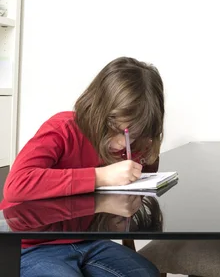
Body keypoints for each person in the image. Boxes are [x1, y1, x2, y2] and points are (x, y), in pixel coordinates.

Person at [1, 56, 164, 277]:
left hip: (88, 241)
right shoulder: (62, 129)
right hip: (32, 246)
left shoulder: (131, 147)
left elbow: (135, 188)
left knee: (145, 273)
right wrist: (100, 176)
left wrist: (145, 152)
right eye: (115, 130)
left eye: (134, 136)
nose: (121, 143)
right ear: (98, 110)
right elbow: (17, 185)